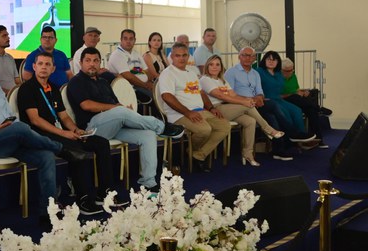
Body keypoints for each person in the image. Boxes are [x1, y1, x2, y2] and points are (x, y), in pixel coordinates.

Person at [0, 51, 86, 227]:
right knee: (22, 127)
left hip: (10, 138)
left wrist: (9, 124)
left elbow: (9, 115)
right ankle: (61, 149)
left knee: (45, 156)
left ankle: (47, 213)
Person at [18, 52, 125, 214]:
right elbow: (35, 120)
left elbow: (63, 116)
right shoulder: (27, 88)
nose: (44, 68)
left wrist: (75, 129)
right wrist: (64, 133)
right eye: (40, 64)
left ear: (53, 68)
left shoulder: (53, 88)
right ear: (34, 66)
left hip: (59, 132)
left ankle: (105, 193)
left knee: (100, 143)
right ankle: (83, 200)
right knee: (76, 151)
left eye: (48, 65)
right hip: (38, 135)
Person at [68, 47, 184, 191]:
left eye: (96, 60)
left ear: (100, 63)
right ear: (81, 62)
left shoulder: (103, 82)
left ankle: (148, 183)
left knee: (148, 135)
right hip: (92, 129)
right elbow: (87, 105)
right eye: (88, 61)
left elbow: (115, 104)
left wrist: (123, 109)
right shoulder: (76, 81)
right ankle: (161, 126)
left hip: (113, 124)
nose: (92, 64)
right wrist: (117, 109)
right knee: (121, 112)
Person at [224, 47, 315, 161]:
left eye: (251, 56)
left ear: (254, 58)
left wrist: (260, 97)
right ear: (239, 56)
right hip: (241, 105)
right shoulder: (231, 72)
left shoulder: (255, 73)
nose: (248, 58)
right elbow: (229, 94)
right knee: (272, 105)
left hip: (256, 104)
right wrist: (250, 99)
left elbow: (260, 91)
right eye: (244, 55)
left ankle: (278, 150)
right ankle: (292, 133)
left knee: (272, 116)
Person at [199, 55, 284, 167]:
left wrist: (247, 99)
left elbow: (233, 95)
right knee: (247, 106)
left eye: (217, 64)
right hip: (216, 110)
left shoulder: (221, 80)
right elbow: (221, 96)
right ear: (207, 66)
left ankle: (248, 154)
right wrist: (245, 102)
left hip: (229, 108)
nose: (214, 67)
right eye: (211, 64)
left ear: (221, 67)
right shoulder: (205, 79)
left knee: (250, 121)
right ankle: (268, 129)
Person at [158, 42, 231, 172]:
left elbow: (201, 92)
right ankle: (195, 154)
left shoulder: (191, 72)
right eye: (178, 55)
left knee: (224, 126)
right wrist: (187, 113)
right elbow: (167, 97)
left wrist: (211, 108)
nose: (181, 58)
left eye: (184, 55)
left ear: (188, 56)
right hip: (179, 114)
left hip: (201, 111)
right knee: (204, 130)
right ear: (172, 57)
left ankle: (196, 155)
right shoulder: (167, 73)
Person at [256, 51, 321, 149]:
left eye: (274, 59)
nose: (271, 61)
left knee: (296, 110)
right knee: (285, 113)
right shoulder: (259, 71)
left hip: (279, 99)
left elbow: (285, 88)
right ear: (264, 60)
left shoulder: (278, 73)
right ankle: (291, 139)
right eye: (268, 59)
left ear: (278, 62)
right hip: (268, 100)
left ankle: (302, 137)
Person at [106, 29, 153, 104]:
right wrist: (145, 85)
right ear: (121, 40)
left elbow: (146, 70)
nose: (128, 41)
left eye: (131, 39)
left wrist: (150, 81)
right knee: (155, 98)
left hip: (143, 85)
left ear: (135, 40)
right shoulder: (117, 55)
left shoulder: (136, 53)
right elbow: (128, 76)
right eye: (125, 38)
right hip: (130, 88)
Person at [0, 24, 20, 93]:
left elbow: (17, 80)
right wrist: (8, 93)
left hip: (13, 96)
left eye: (7, 35)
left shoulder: (10, 58)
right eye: (4, 36)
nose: (8, 38)